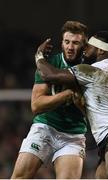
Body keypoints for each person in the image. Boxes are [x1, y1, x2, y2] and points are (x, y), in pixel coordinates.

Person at [35, 31, 108, 179]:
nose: (85, 49)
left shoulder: (91, 71)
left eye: (89, 46)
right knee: (102, 177)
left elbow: (48, 74)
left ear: (100, 50)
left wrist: (39, 56)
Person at [11, 21, 88, 179]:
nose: (70, 47)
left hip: (73, 135)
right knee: (19, 177)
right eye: (67, 42)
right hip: (45, 127)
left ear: (84, 46)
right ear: (62, 42)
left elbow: (89, 111)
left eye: (75, 43)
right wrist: (66, 95)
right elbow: (36, 105)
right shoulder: (50, 64)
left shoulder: (90, 70)